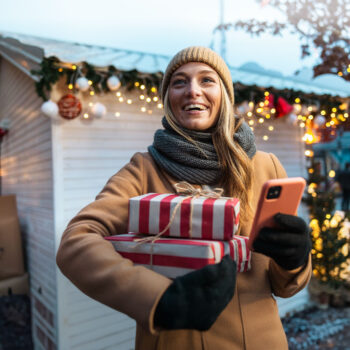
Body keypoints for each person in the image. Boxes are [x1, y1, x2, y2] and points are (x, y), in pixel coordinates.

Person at [56, 46, 312, 350]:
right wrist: (160, 299)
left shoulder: (266, 167)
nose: (193, 91)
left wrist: (295, 262)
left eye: (207, 80)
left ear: (225, 95)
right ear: (168, 98)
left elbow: (285, 285)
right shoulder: (143, 170)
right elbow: (76, 241)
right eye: (179, 82)